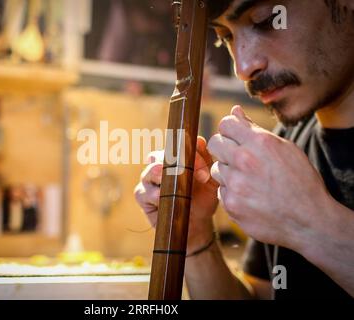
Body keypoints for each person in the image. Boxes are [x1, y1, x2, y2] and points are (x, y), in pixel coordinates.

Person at [134, 0, 354, 299]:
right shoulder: (288, 140)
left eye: (267, 20)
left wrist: (310, 223)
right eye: (225, 36)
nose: (243, 67)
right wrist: (195, 240)